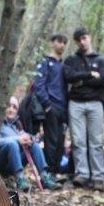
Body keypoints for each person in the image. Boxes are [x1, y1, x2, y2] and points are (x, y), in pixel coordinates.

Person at [63, 27, 104, 190]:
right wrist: (90, 75)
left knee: (96, 141)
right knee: (78, 140)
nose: (82, 42)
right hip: (75, 103)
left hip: (95, 103)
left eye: (84, 38)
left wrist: (80, 81)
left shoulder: (100, 59)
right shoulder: (71, 60)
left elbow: (103, 81)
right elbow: (69, 77)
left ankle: (98, 176)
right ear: (76, 42)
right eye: (78, 40)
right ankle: (81, 174)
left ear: (90, 37)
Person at [0, 96, 61, 191]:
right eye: (9, 106)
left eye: (14, 107)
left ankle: (44, 177)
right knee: (12, 144)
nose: (11, 110)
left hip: (13, 163)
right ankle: (20, 179)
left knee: (33, 145)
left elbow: (26, 137)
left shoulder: (17, 125)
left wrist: (30, 139)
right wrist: (17, 139)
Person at [33, 33, 69, 175]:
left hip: (63, 108)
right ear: (52, 43)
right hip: (51, 106)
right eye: (59, 41)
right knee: (51, 141)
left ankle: (56, 172)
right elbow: (38, 84)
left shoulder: (64, 65)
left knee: (60, 141)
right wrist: (47, 105)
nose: (62, 45)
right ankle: (48, 174)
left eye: (64, 42)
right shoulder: (45, 62)